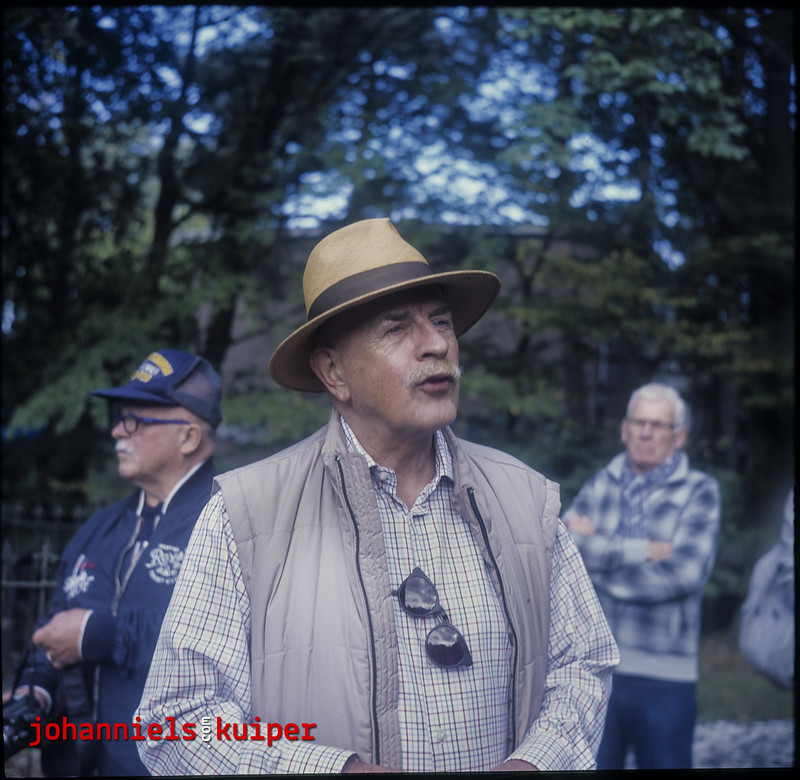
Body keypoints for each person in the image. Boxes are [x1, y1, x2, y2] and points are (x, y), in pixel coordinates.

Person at [135, 218, 618, 774]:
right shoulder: (245, 515)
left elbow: (583, 663)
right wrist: (334, 772)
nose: (438, 343)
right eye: (396, 328)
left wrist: (535, 763)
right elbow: (175, 720)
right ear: (334, 372)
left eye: (441, 320)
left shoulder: (527, 499)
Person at [4, 349, 222, 776]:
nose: (117, 432)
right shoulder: (97, 529)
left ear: (189, 437)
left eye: (135, 421)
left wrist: (98, 634)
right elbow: (54, 628)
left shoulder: (229, 525)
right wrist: (35, 691)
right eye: (119, 418)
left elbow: (224, 646)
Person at [564, 382, 720, 770]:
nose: (646, 432)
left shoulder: (700, 491)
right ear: (624, 429)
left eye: (658, 424)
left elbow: (682, 575)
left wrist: (597, 563)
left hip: (665, 678)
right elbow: (565, 555)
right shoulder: (601, 483)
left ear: (679, 436)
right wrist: (642, 551)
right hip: (597, 673)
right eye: (639, 422)